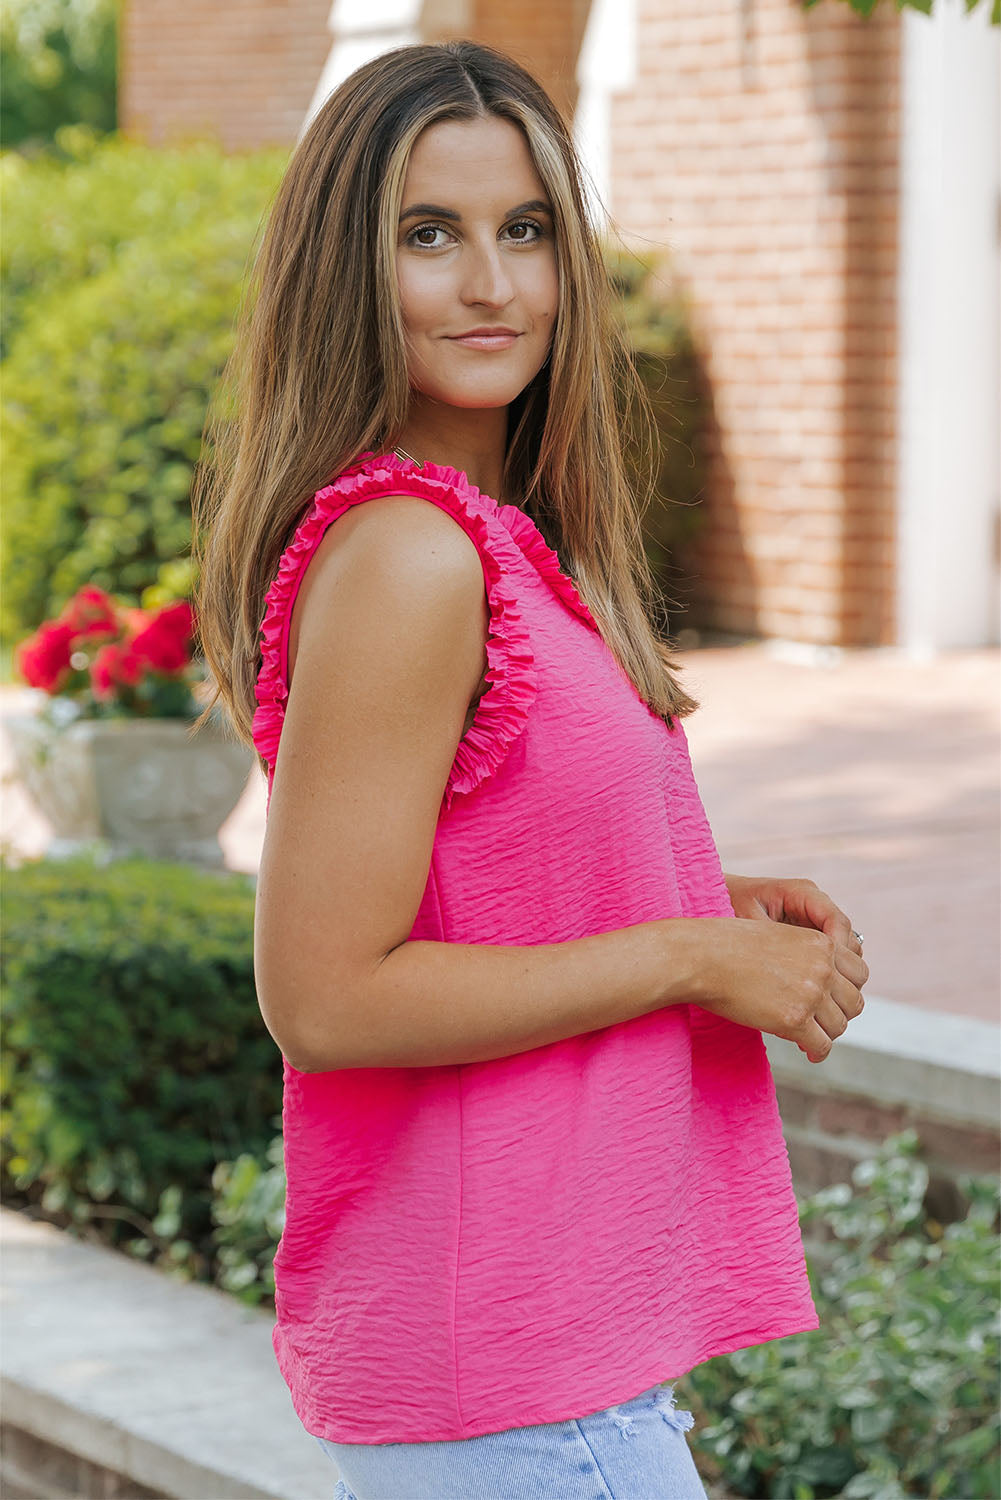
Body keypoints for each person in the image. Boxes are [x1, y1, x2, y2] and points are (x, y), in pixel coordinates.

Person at [191, 38, 869, 1500]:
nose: (491, 285)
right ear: (345, 270)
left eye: (526, 230)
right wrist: (687, 956)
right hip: (514, 1390)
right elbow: (323, 992)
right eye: (427, 235)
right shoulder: (407, 557)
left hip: (544, 1376)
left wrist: (700, 894)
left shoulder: (490, 541)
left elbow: (471, 876)